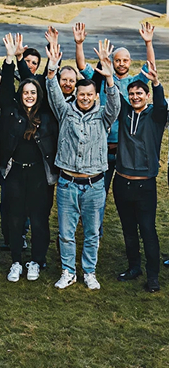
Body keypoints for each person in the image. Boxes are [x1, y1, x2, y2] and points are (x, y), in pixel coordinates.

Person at [47, 40, 120, 290]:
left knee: (92, 233)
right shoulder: (65, 111)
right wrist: (52, 68)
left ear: (95, 96)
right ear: (76, 95)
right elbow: (53, 90)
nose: (85, 98)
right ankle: (68, 271)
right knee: (66, 233)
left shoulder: (103, 115)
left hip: (94, 185)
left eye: (89, 94)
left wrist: (109, 78)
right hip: (67, 183)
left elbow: (116, 105)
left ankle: (89, 271)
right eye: (81, 94)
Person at [0, 34, 59, 283]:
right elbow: (5, 89)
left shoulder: (46, 113)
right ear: (20, 94)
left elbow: (42, 83)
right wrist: (10, 58)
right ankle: (16, 261)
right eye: (25, 92)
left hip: (38, 174)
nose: (29, 95)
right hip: (15, 173)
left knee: (39, 220)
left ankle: (36, 260)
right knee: (14, 218)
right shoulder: (11, 111)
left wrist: (50, 64)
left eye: (33, 92)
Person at [73, 22, 153, 191]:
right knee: (100, 187)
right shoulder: (102, 78)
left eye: (125, 60)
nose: (121, 63)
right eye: (118, 60)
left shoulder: (135, 82)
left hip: (126, 145)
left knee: (125, 188)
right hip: (102, 143)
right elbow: (82, 66)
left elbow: (150, 67)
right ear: (112, 62)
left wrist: (148, 43)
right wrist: (79, 44)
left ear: (130, 62)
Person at [113, 61, 167, 292]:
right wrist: (107, 72)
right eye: (132, 94)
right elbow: (113, 94)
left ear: (147, 96)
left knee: (147, 230)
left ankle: (153, 276)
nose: (135, 97)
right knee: (128, 229)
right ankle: (134, 267)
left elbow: (162, 105)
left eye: (139, 93)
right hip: (121, 182)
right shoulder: (125, 111)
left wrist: (156, 83)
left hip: (145, 185)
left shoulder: (156, 115)